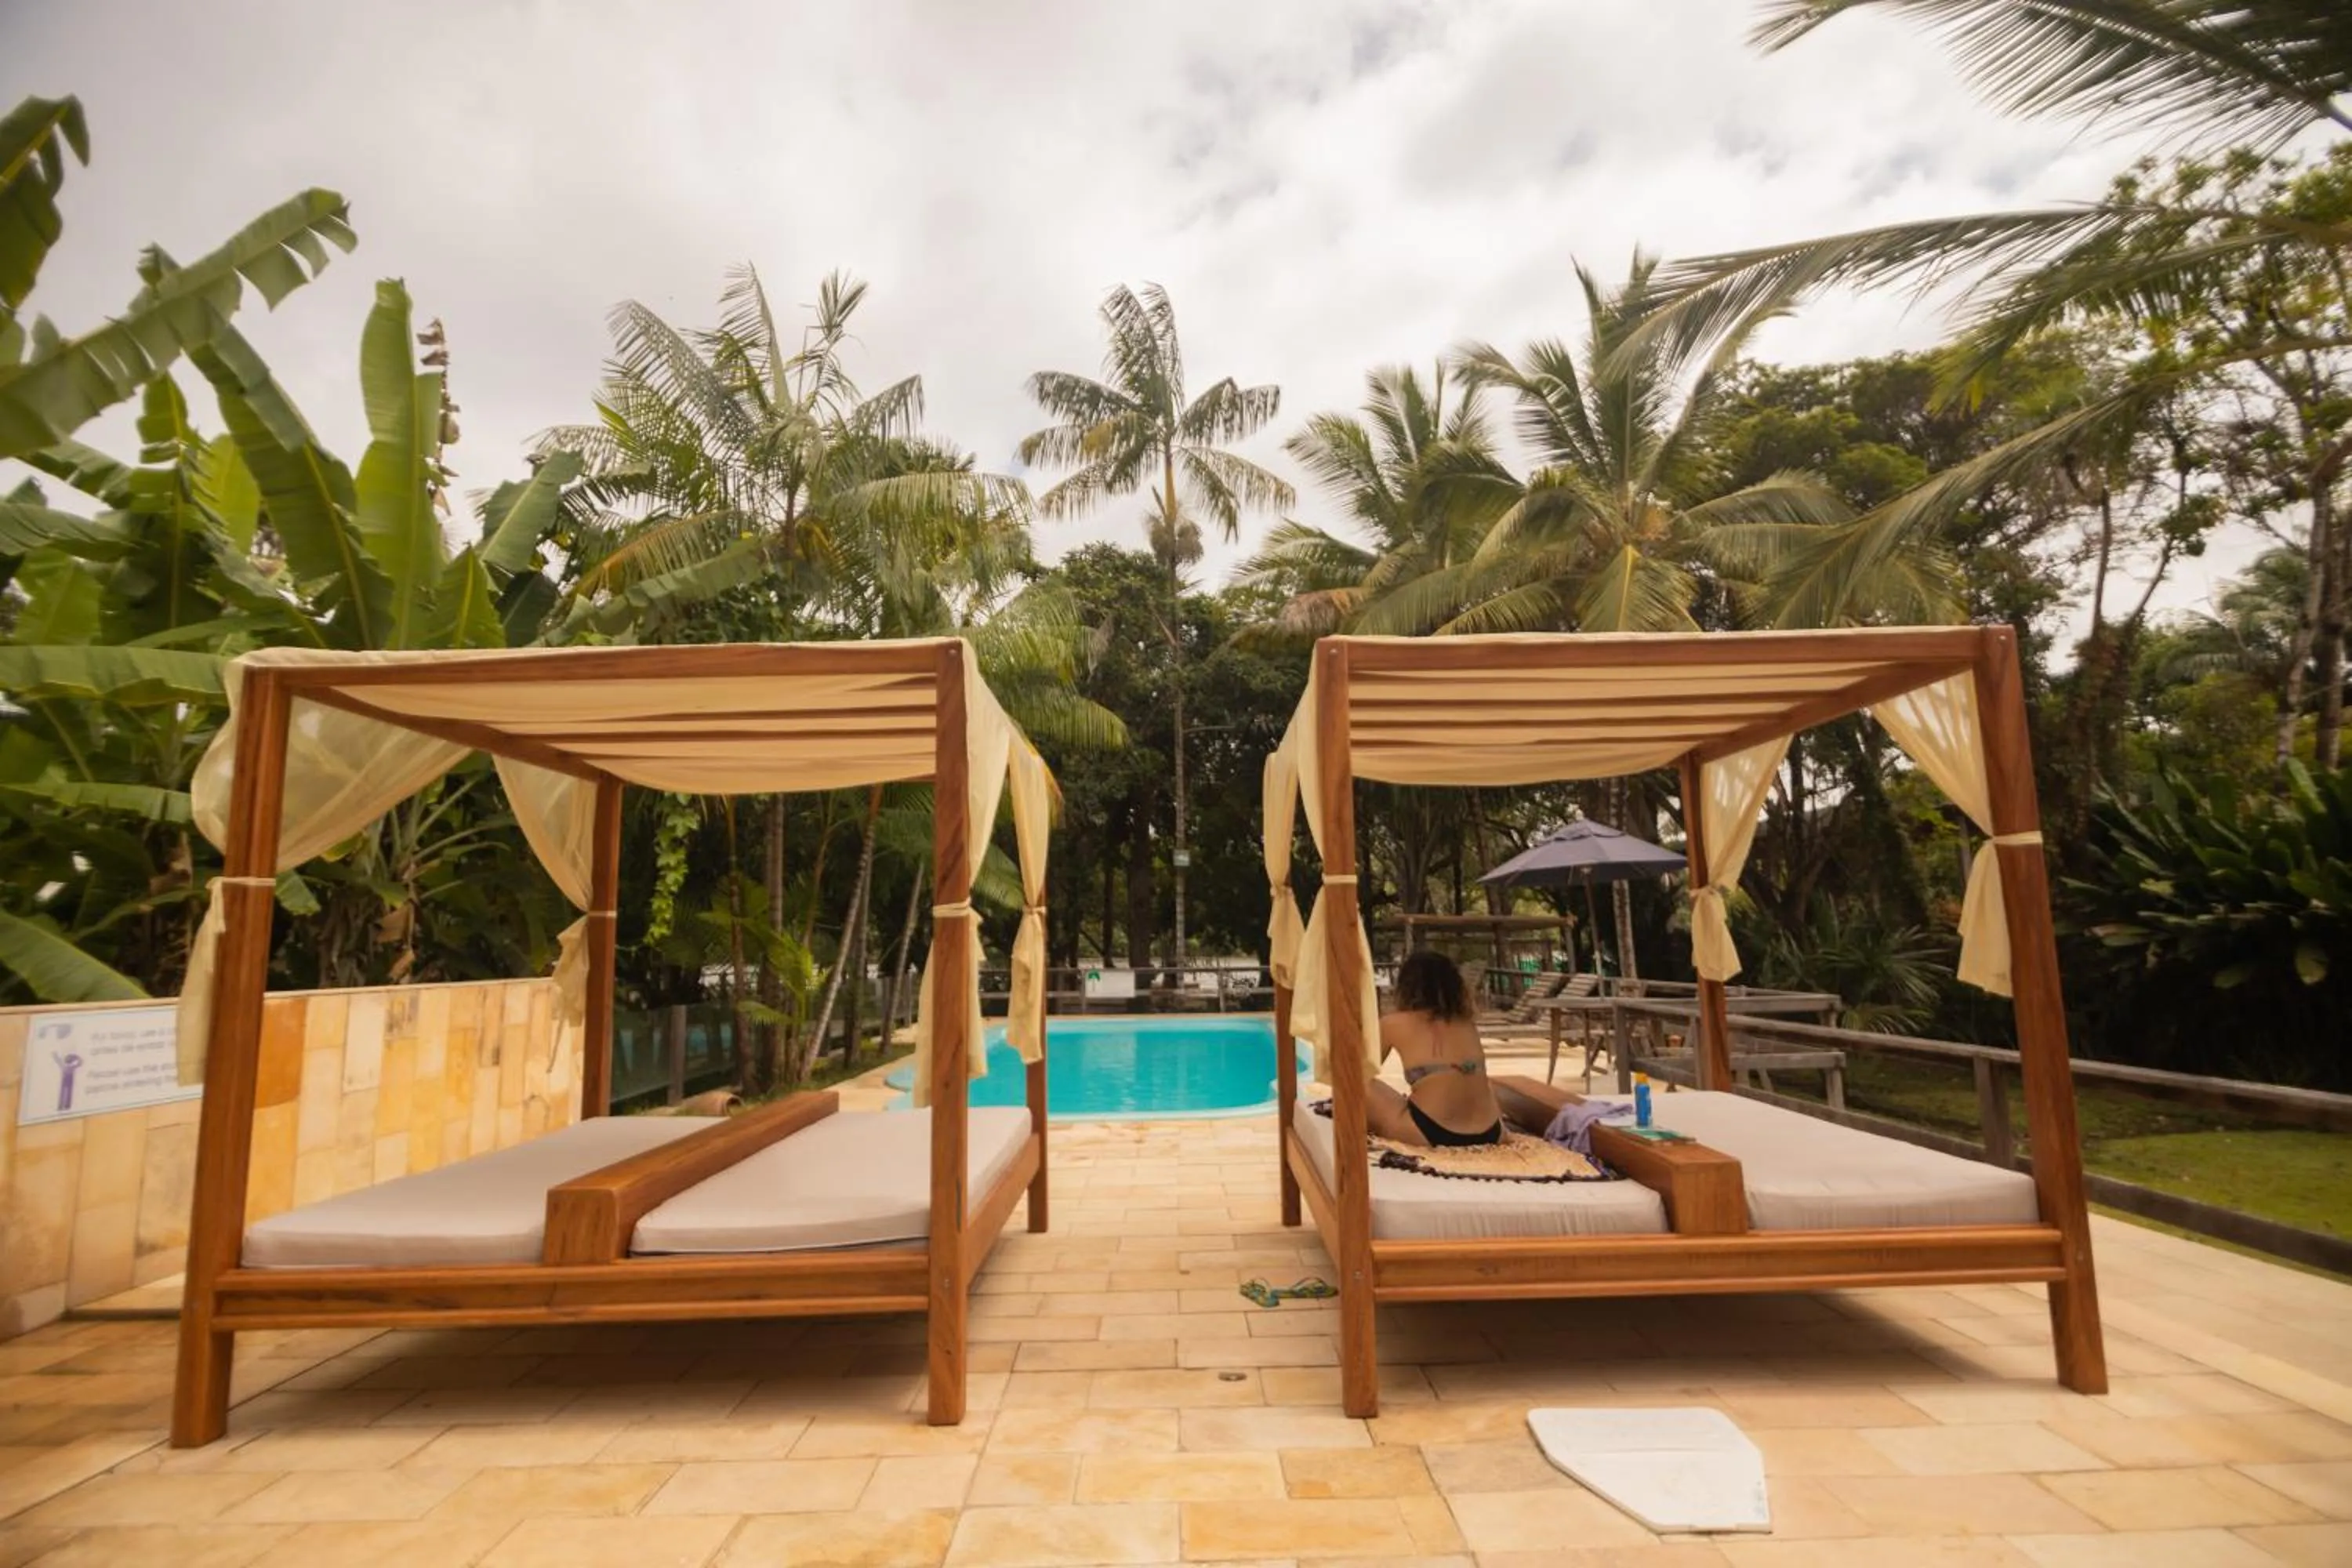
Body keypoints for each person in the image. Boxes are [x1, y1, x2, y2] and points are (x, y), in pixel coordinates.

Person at [1363, 949, 1503, 1147]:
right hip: (1491, 1133)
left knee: (1358, 1084)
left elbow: (1359, 1071)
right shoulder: (1466, 1023)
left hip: (1431, 1133)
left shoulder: (1393, 1023)